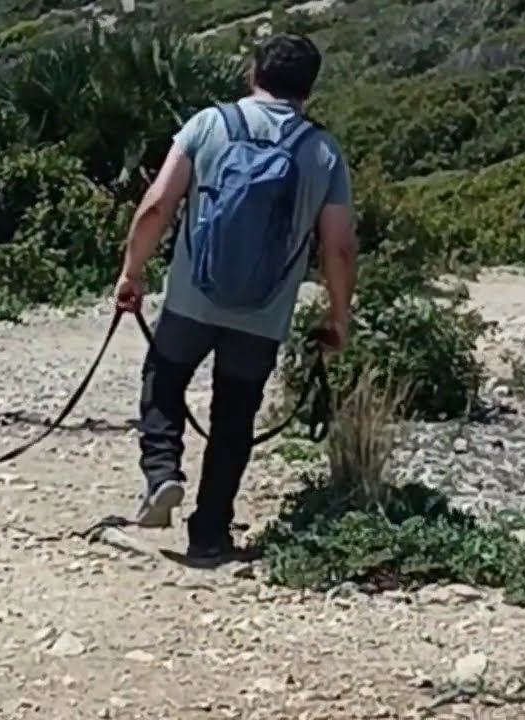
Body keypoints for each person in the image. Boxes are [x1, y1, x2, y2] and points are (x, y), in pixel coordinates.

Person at [112, 33, 357, 560]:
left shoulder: (209, 124)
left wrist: (132, 273)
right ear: (309, 88)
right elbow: (337, 246)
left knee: (164, 379)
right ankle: (210, 532)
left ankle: (162, 473)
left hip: (191, 298)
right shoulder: (323, 151)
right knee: (235, 416)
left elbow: (157, 205)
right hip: (264, 313)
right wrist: (338, 316)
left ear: (253, 73)